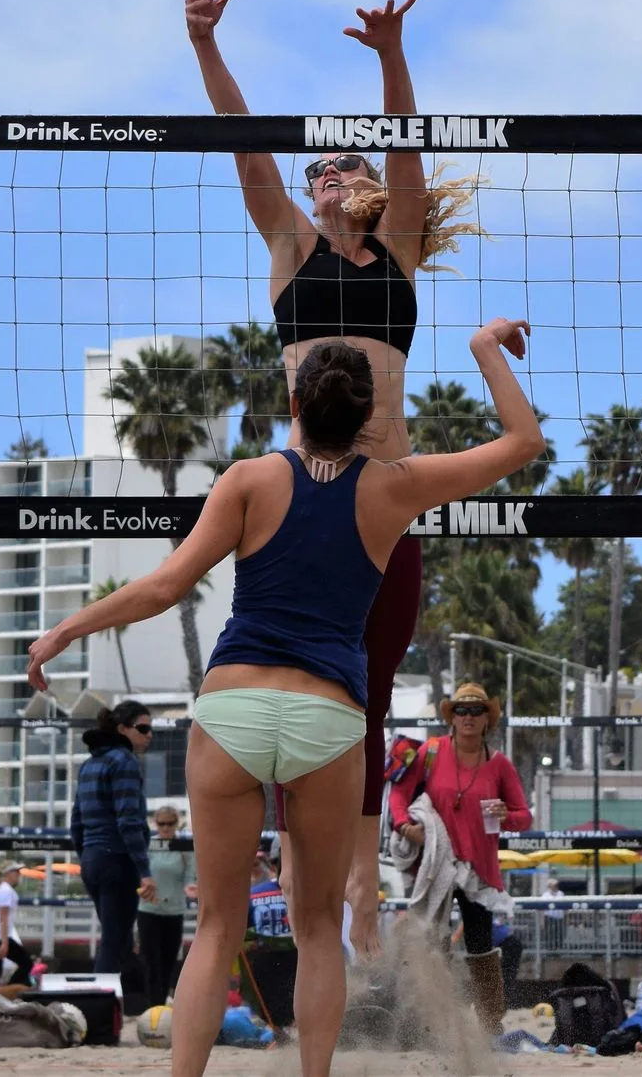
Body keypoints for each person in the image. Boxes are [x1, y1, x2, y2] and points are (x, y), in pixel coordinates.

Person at [28, 317, 544, 1077]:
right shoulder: (395, 487)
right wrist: (482, 349)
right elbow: (523, 441)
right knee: (312, 931)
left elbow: (168, 586)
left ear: (293, 405)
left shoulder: (249, 478)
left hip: (234, 705)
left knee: (214, 926)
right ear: (370, 414)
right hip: (328, 716)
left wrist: (66, 630)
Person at [188, 0, 484, 955]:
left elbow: (406, 146)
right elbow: (244, 140)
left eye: (338, 163)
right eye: (313, 165)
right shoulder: (287, 247)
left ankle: (362, 890)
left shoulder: (396, 249)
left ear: (365, 188)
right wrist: (204, 43)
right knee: (287, 678)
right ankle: (304, 872)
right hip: (304, 497)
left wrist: (390, 56)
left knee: (369, 684)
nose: (322, 172)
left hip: (382, 506)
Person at [387, 681, 531, 1036]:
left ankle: (489, 1022)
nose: (468, 717)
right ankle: (429, 1021)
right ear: (452, 718)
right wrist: (406, 827)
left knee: (481, 946)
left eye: (476, 711)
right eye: (461, 711)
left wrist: (505, 815)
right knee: (431, 941)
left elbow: (524, 816)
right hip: (434, 864)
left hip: (476, 870)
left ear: (487, 720)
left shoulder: (499, 765)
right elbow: (398, 797)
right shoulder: (431, 752)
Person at [72, 698, 156, 994]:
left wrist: (87, 857)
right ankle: (97, 1008)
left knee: (118, 941)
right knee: (113, 941)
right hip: (117, 860)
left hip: (93, 861)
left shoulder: (89, 765)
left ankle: (118, 1008)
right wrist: (144, 870)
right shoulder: (124, 761)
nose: (149, 735)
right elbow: (128, 820)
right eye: (143, 728)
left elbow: (76, 823)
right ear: (122, 729)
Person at [139, 806, 195, 1007]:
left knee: (169, 962)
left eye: (170, 823)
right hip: (148, 910)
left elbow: (190, 873)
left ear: (176, 824)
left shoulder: (183, 846)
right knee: (151, 962)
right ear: (155, 823)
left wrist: (190, 887)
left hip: (174, 910)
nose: (166, 828)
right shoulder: (148, 844)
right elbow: (140, 872)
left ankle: (162, 1005)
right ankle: (153, 1005)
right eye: (161, 824)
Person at [0, 858, 32, 991]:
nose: (19, 875)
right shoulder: (6, 891)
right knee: (26, 963)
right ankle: (10, 993)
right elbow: (3, 918)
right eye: (17, 872)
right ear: (9, 874)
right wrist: (4, 943)